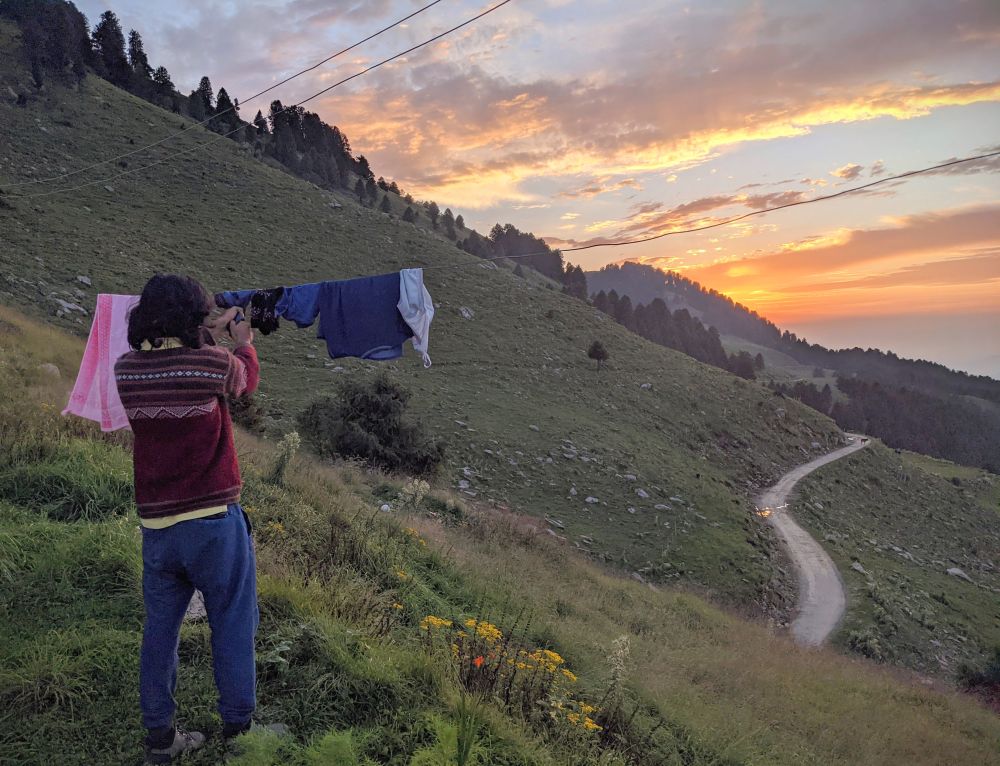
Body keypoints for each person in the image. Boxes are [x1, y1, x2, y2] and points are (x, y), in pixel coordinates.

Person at [114, 274, 260, 763]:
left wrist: (207, 334)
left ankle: (161, 739)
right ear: (193, 317)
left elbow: (179, 366)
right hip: (213, 522)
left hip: (157, 527)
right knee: (233, 623)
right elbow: (244, 380)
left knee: (160, 633)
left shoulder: (126, 369)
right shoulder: (211, 362)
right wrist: (243, 340)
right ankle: (240, 732)